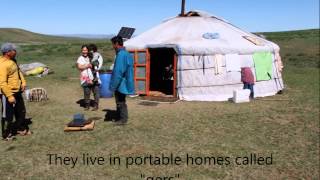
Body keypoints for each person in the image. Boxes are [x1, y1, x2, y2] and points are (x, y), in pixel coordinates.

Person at [0, 43, 31, 141]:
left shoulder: (13, 61)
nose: (16, 52)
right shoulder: (3, 65)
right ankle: (6, 134)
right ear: (8, 52)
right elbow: (2, 82)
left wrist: (23, 82)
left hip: (17, 91)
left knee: (21, 112)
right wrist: (9, 96)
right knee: (7, 115)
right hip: (7, 93)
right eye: (14, 50)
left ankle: (20, 128)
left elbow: (18, 72)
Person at [109, 36, 134, 125]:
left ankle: (122, 119)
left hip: (121, 83)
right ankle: (120, 117)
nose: (112, 46)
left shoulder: (121, 55)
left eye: (113, 44)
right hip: (125, 81)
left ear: (116, 44)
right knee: (121, 101)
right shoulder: (126, 53)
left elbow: (118, 72)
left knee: (120, 101)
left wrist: (113, 86)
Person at [76, 45, 99, 111]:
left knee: (96, 91)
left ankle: (96, 105)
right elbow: (79, 67)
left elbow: (97, 64)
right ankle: (87, 105)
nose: (84, 51)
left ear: (88, 50)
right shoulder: (80, 58)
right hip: (85, 77)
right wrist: (87, 66)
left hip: (94, 76)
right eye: (83, 50)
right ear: (81, 51)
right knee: (87, 92)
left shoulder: (92, 56)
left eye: (86, 50)